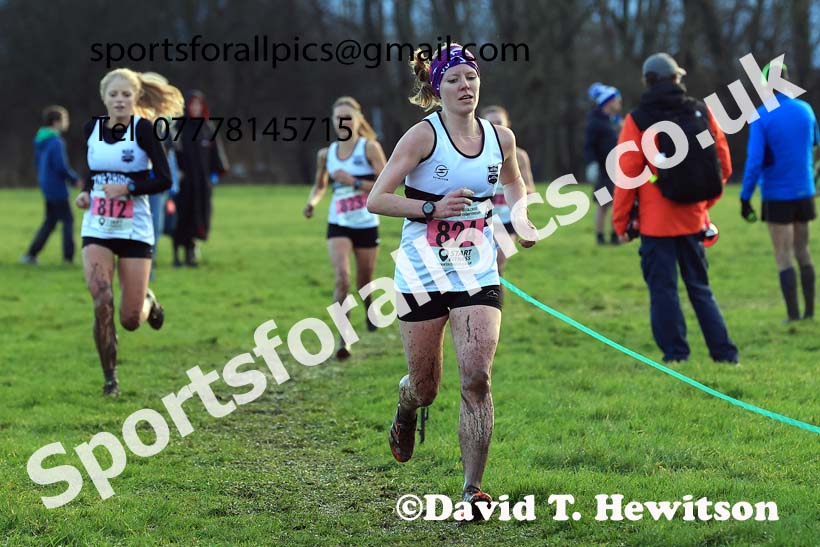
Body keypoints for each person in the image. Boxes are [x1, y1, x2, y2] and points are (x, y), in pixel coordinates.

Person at [367, 44, 536, 514]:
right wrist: (431, 208)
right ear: (436, 89)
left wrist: (522, 220)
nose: (466, 86)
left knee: (477, 376)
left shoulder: (500, 137)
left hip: (477, 268)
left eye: (471, 77)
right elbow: (377, 199)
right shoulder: (422, 137)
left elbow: (514, 180)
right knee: (426, 388)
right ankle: (406, 405)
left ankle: (471, 489)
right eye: (454, 80)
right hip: (421, 272)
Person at [612, 52, 739, 365]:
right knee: (701, 288)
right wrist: (704, 205)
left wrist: (621, 223)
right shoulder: (700, 110)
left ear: (648, 81)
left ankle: (676, 355)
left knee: (663, 291)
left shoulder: (638, 119)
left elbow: (627, 174)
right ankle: (725, 355)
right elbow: (722, 163)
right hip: (694, 219)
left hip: (656, 225)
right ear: (676, 79)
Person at [75, 68, 182, 396]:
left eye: (126, 95)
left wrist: (130, 186)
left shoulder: (145, 131)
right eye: (114, 95)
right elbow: (91, 170)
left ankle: (148, 300)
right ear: (104, 97)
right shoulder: (91, 128)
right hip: (98, 226)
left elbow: (164, 179)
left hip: (135, 229)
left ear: (135, 98)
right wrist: (84, 191)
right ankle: (110, 378)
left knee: (131, 319)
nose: (119, 100)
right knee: (102, 299)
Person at [303, 96, 387, 359]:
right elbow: (320, 185)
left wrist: (352, 182)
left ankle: (370, 306)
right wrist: (312, 202)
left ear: (358, 120)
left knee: (364, 282)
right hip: (338, 222)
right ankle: (344, 339)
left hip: (366, 222)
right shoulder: (326, 154)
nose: (343, 122)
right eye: (339, 118)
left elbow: (385, 184)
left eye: (348, 117)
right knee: (342, 279)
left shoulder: (370, 148)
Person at [740, 63, 818, 321]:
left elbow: (753, 163)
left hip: (777, 195)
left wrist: (745, 197)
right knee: (803, 250)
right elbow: (815, 145)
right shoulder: (806, 110)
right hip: (804, 191)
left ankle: (793, 315)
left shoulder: (762, 116)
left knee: (783, 256)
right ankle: (809, 312)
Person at [172, 91, 229, 267]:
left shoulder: (208, 128)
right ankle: (177, 255)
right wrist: (175, 173)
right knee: (180, 218)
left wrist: (214, 175)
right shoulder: (178, 128)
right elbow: (171, 153)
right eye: (192, 105)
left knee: (198, 218)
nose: (195, 108)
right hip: (183, 184)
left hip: (202, 185)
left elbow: (216, 157)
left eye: (198, 105)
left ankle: (191, 252)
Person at [22, 106, 82, 265]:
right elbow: (60, 166)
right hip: (57, 187)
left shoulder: (40, 139)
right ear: (56, 122)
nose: (67, 123)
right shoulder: (56, 141)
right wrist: (75, 179)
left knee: (50, 221)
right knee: (68, 221)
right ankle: (68, 259)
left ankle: (30, 255)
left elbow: (37, 162)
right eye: (65, 119)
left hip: (46, 185)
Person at [480, 105, 537, 273]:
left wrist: (512, 186)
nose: (496, 127)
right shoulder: (473, 153)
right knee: (484, 269)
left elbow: (530, 188)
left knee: (498, 261)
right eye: (491, 123)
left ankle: (493, 297)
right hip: (481, 218)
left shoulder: (518, 155)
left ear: (508, 125)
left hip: (507, 219)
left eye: (499, 123)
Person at [141, 72, 181, 279]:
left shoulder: (165, 122)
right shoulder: (134, 118)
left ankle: (148, 267)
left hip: (156, 182)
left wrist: (171, 183)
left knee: (153, 225)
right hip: (138, 180)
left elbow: (168, 154)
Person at [584, 83, 624, 245]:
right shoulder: (596, 122)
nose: (619, 104)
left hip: (618, 170)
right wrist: (592, 164)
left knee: (617, 202)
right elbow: (589, 146)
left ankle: (615, 234)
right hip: (603, 171)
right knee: (603, 204)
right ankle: (600, 236)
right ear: (608, 102)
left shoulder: (615, 121)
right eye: (617, 100)